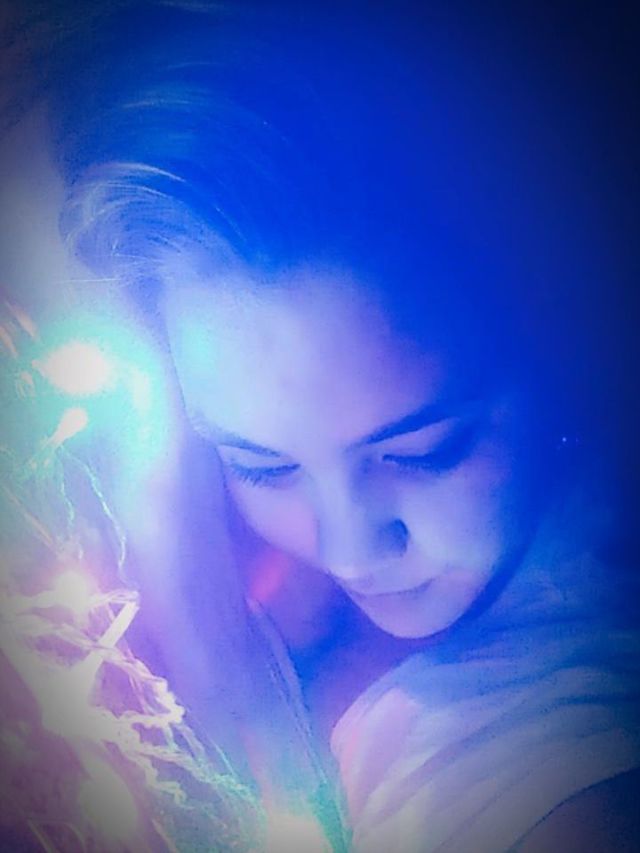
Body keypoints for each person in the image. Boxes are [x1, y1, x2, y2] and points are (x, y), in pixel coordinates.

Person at [27, 1, 640, 849]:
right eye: (261, 464)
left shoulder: (561, 772)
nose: (351, 550)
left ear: (558, 337)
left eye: (424, 451)